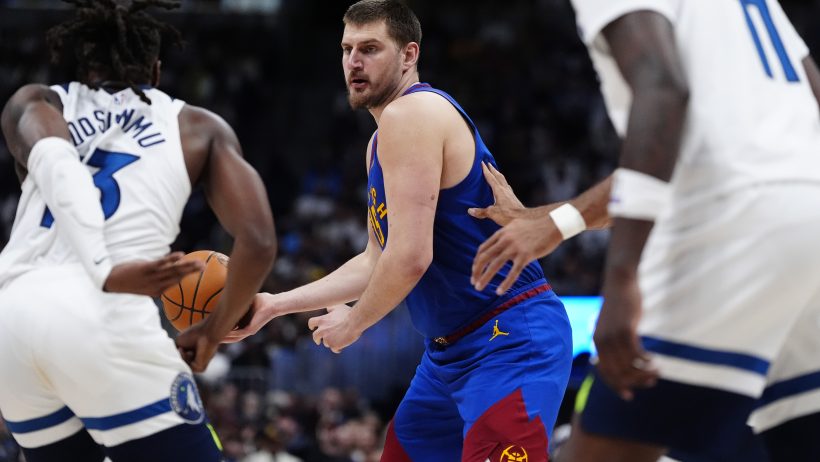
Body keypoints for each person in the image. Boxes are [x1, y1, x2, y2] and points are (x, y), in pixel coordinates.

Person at [470, 0, 820, 461]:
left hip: (730, 220)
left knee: (603, 447)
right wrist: (560, 220)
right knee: (800, 437)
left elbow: (662, 90)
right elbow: (808, 96)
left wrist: (622, 276)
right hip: (806, 206)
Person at [226, 1, 573, 460]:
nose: (354, 61)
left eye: (370, 48)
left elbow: (411, 257)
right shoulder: (380, 141)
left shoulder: (411, 116)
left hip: (508, 338)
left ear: (409, 55)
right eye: (347, 49)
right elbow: (377, 258)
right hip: (447, 356)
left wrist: (353, 323)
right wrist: (275, 305)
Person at [0, 1, 277, 461]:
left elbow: (58, 166)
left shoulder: (36, 102)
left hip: (10, 316)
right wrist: (212, 330)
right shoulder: (196, 126)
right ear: (157, 68)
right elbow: (260, 241)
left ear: (84, 65)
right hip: (100, 313)